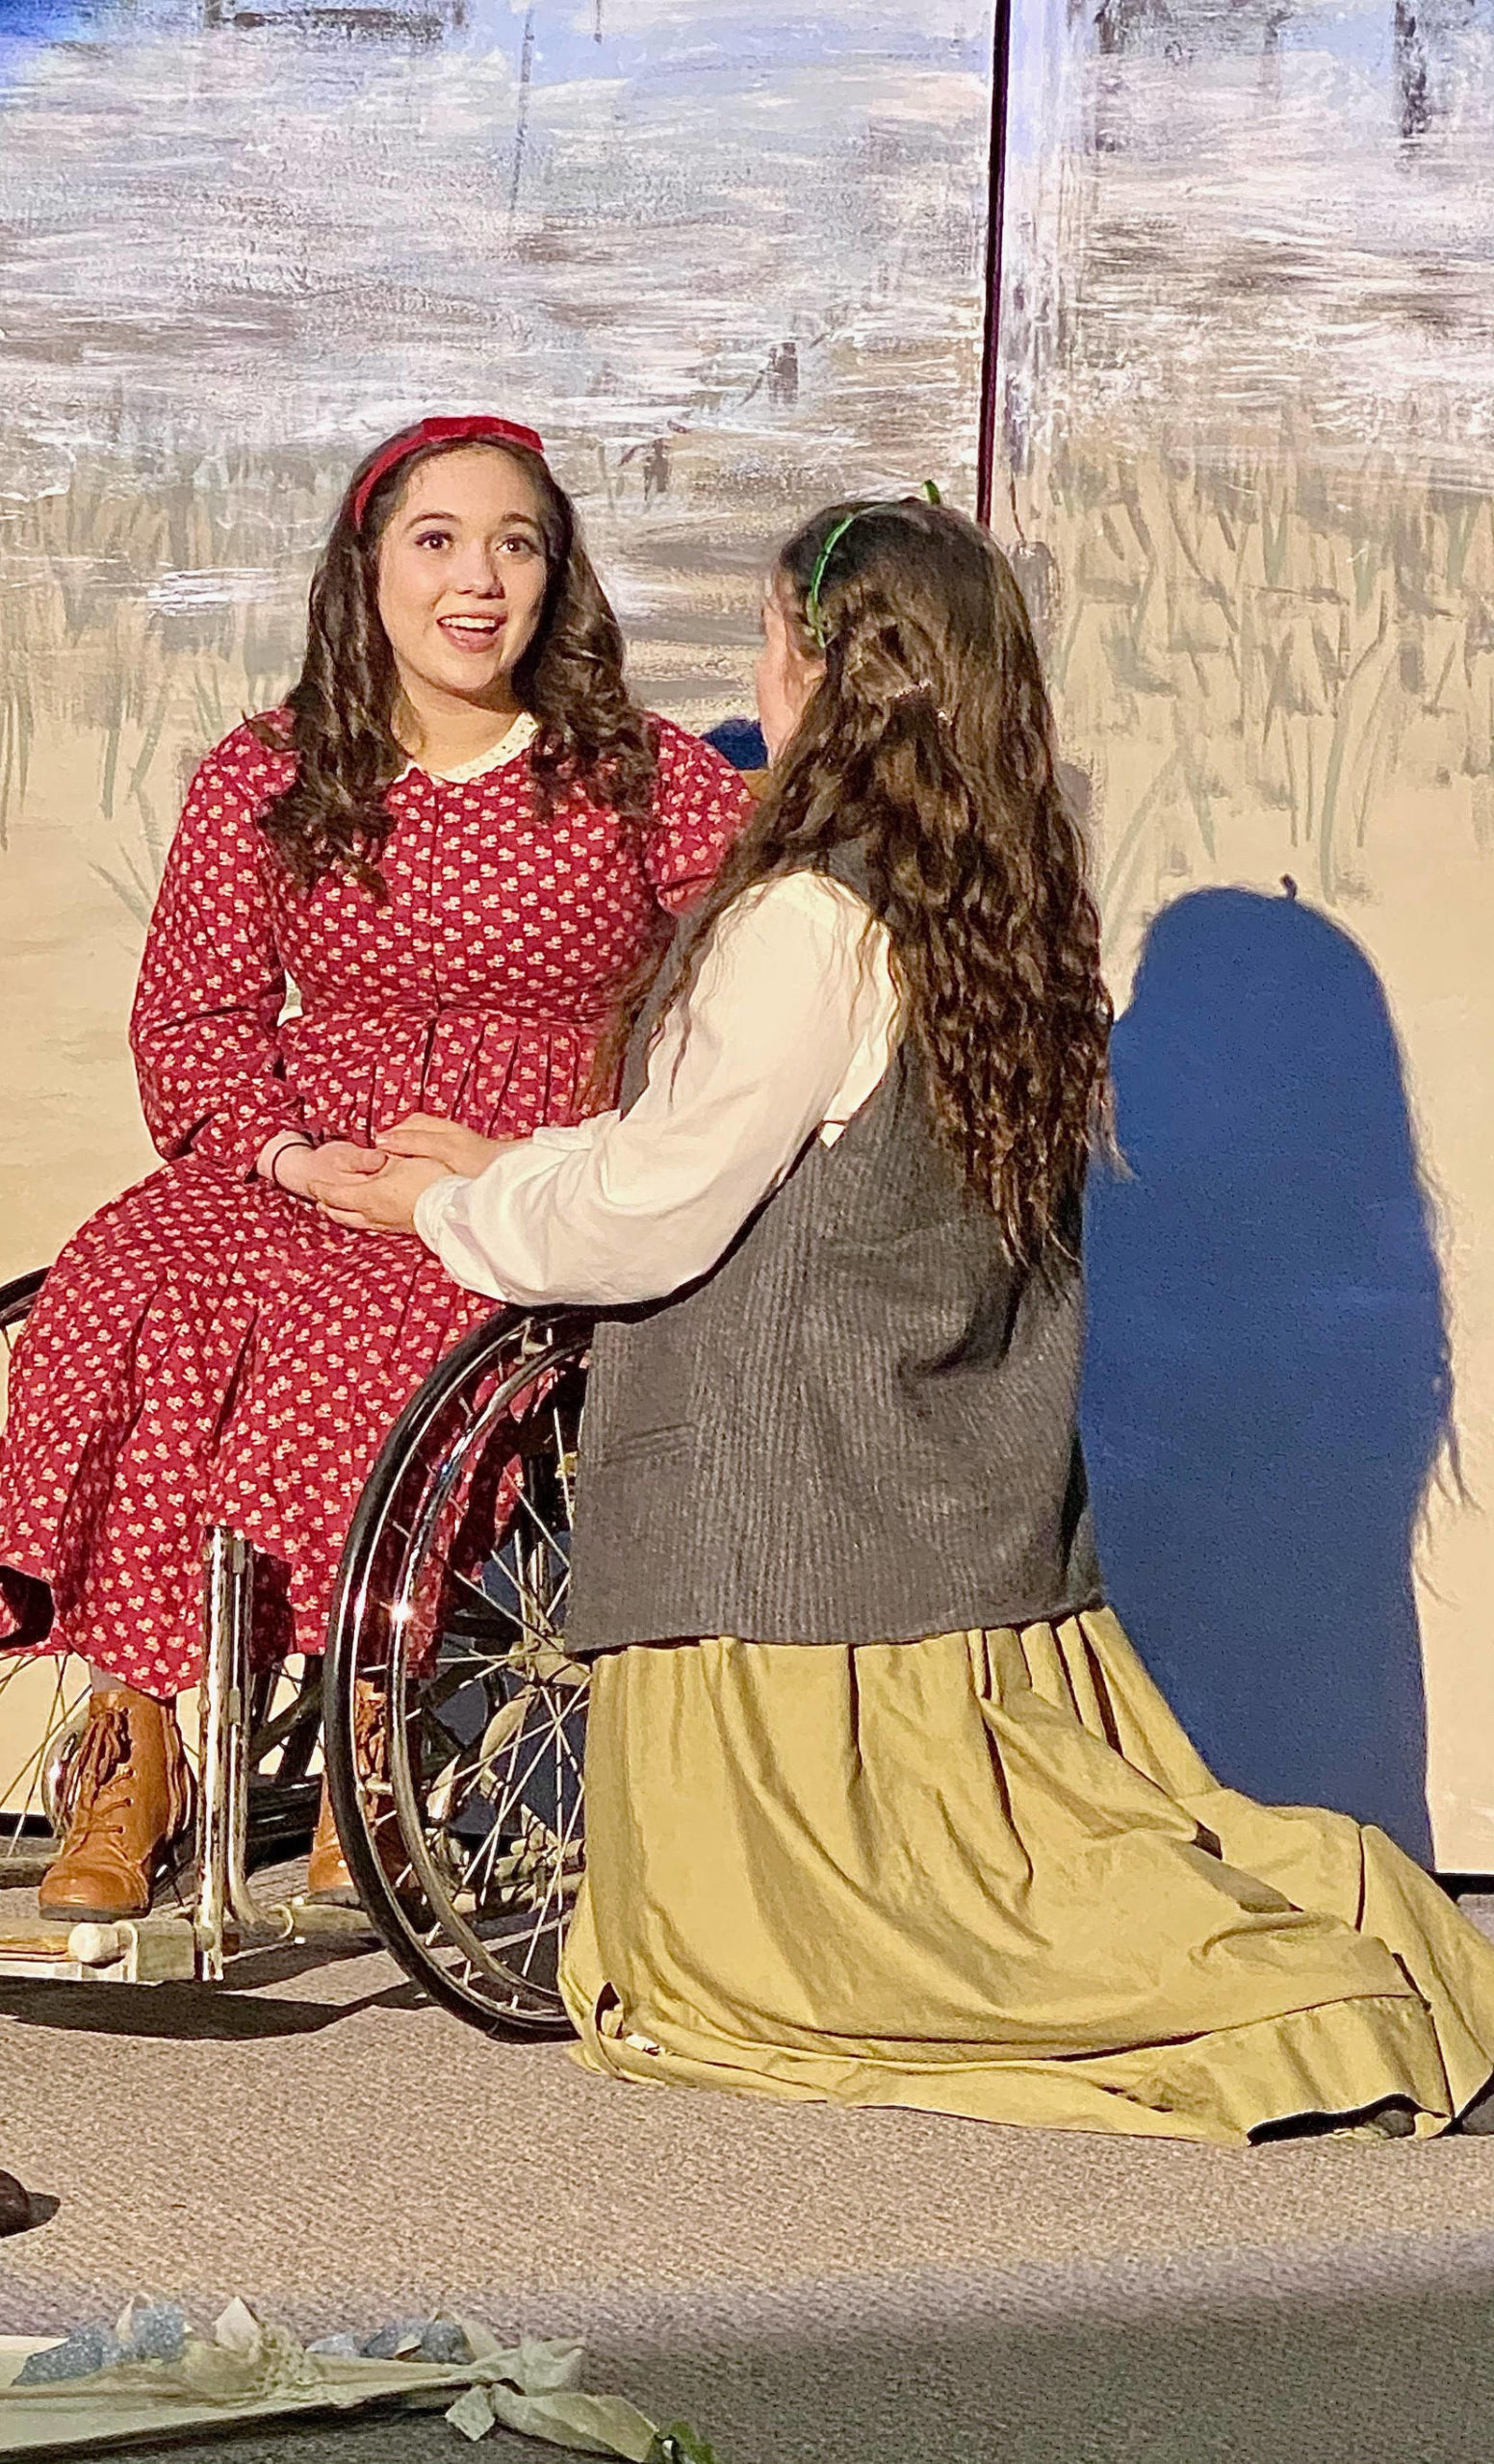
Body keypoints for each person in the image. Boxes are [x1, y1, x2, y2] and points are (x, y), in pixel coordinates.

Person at [324, 496, 1494, 2143]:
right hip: (951, 1523)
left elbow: (667, 1202)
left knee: (779, 1972)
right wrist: (526, 1158)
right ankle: (1358, 1951)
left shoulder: (806, 916)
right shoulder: (1001, 909)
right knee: (1093, 1852)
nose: (757, 682)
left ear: (829, 679)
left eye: (770, 646)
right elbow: (771, 1144)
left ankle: (1311, 2006)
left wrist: (447, 1206)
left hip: (785, 1556)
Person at [0, 414, 752, 1926]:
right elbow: (193, 1016)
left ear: (558, 577)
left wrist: (551, 1160)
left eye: (515, 545)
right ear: (369, 570)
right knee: (131, 1281)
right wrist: (286, 1150)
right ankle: (135, 1735)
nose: (479, 582)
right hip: (301, 1151)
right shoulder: (269, 772)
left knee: (370, 1329)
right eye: (439, 542)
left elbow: (754, 989)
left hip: (514, 1170)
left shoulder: (634, 773)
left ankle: (362, 1736)